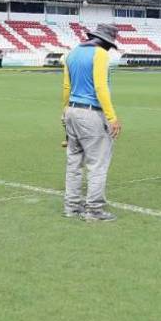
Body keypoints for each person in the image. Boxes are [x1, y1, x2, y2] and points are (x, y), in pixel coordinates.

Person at [61, 23, 122, 221]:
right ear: (105, 41)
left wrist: (65, 114)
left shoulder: (72, 53)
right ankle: (94, 210)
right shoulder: (100, 54)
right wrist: (112, 117)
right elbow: (100, 87)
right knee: (97, 164)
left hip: (71, 110)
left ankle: (71, 207)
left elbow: (66, 87)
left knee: (74, 163)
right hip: (91, 113)